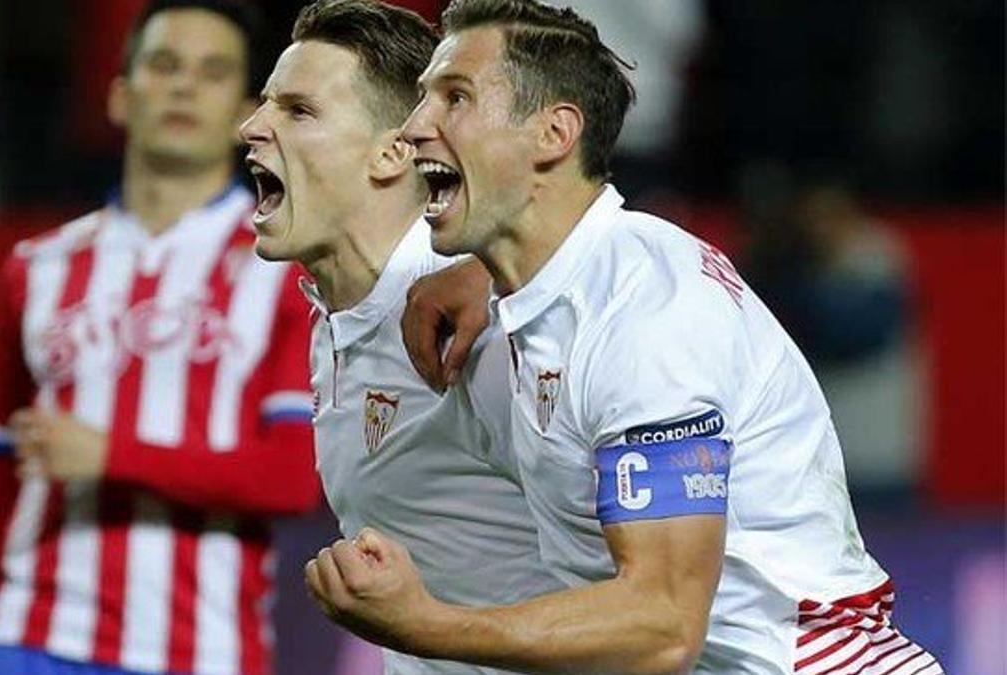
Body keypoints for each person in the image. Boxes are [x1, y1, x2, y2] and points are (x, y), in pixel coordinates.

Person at [305, 0, 943, 673]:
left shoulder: (647, 319)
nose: (415, 127)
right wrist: (486, 274)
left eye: (454, 97)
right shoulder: (543, 288)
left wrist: (426, 622)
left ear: (553, 133)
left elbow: (663, 626)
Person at [0, 2, 320, 674]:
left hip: (200, 649)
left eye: (211, 72)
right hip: (32, 638)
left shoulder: (284, 267)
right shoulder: (38, 265)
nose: (183, 87)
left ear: (245, 114)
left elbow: (290, 478)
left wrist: (112, 452)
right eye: (164, 65)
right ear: (120, 96)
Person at [239, 1, 562, 673]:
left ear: (392, 151)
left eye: (298, 111)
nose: (252, 126)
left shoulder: (482, 317)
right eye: (267, 104)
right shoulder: (337, 314)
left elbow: (638, 566)